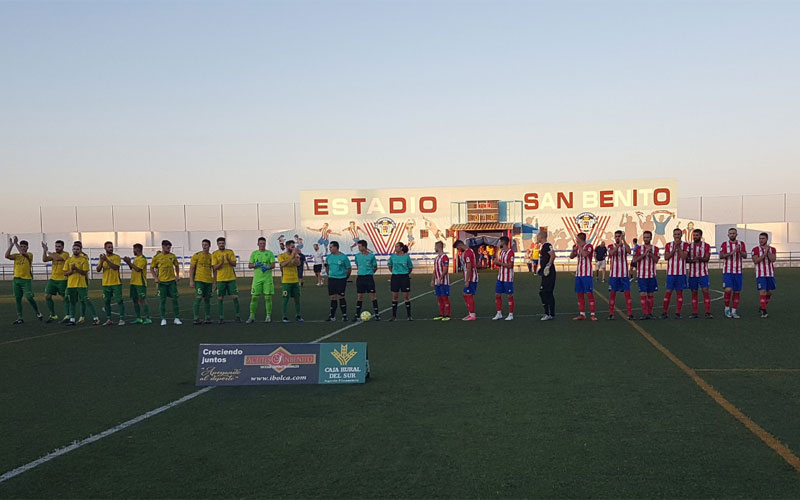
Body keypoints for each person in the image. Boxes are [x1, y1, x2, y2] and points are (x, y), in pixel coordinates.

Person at [5, 236, 43, 323]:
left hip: (26, 280)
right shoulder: (16, 256)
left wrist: (16, 243)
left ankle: (38, 312)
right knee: (18, 299)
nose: (22, 248)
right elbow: (6, 255)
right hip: (16, 280)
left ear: (27, 247)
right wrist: (11, 245)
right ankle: (20, 318)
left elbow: (23, 253)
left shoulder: (29, 255)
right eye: (21, 246)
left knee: (29, 297)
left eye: (24, 246)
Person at [63, 241, 100, 325]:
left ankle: (95, 318)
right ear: (72, 249)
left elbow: (85, 272)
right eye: (74, 249)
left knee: (86, 300)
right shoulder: (69, 260)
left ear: (80, 250)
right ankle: (72, 319)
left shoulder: (84, 260)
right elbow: (65, 273)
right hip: (71, 284)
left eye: (77, 249)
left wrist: (76, 269)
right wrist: (72, 270)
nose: (75, 250)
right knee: (72, 302)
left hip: (81, 284)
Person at [150, 239, 182, 326]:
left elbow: (176, 266)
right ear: (163, 247)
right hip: (162, 283)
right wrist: (155, 278)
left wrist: (177, 275)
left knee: (175, 300)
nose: (169, 248)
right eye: (167, 247)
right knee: (162, 301)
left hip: (172, 282)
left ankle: (176, 318)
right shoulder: (157, 257)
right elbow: (152, 268)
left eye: (170, 247)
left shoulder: (172, 256)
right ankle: (163, 318)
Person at [661, 228, 689, 319]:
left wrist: (678, 248)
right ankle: (664, 312)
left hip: (681, 273)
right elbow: (666, 257)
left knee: (679, 293)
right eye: (675, 234)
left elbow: (684, 257)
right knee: (668, 292)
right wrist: (674, 249)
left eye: (678, 234)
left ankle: (678, 313)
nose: (677, 236)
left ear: (681, 235)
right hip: (671, 273)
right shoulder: (668, 245)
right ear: (673, 235)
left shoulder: (685, 245)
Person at [631, 231, 659, 320]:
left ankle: (649, 313)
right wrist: (643, 255)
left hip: (651, 275)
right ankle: (645, 313)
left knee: (650, 294)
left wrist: (650, 253)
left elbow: (656, 260)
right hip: (642, 276)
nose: (646, 239)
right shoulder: (639, 249)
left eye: (647, 237)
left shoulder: (655, 249)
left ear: (651, 238)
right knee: (643, 293)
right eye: (644, 237)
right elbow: (634, 260)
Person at [719, 227, 747, 318]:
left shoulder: (741, 244)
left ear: (736, 234)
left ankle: (734, 311)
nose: (732, 235)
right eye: (730, 233)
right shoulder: (724, 244)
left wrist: (740, 252)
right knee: (728, 289)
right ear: (728, 235)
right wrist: (731, 253)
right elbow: (721, 256)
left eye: (734, 233)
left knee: (737, 291)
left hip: (738, 271)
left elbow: (745, 255)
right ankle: (727, 308)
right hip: (727, 271)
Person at [247, 237, 276, 323]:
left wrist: (267, 267)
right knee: (254, 298)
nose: (262, 245)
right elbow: (249, 265)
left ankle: (268, 316)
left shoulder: (269, 253)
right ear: (258, 244)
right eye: (261, 243)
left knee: (267, 298)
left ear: (265, 244)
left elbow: (273, 265)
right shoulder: (254, 253)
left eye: (263, 243)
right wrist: (255, 264)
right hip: (257, 279)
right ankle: (252, 316)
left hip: (267, 279)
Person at [212, 237, 240, 323]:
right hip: (221, 279)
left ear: (225, 244)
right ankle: (221, 317)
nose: (221, 245)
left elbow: (234, 264)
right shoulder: (215, 254)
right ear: (217, 244)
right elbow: (214, 267)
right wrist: (221, 262)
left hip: (231, 278)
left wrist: (228, 260)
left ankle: (238, 316)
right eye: (220, 243)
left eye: (223, 243)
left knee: (235, 297)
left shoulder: (230, 252)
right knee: (220, 298)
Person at [96, 241, 125, 326]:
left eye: (111, 247)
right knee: (106, 301)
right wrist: (101, 261)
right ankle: (109, 319)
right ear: (105, 248)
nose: (110, 248)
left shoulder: (116, 257)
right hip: (105, 283)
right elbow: (98, 269)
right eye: (108, 247)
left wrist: (106, 260)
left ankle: (122, 319)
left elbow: (115, 267)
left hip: (116, 282)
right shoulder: (102, 258)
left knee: (119, 300)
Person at [569, 232, 597, 321]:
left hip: (587, 274)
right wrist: (573, 250)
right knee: (580, 294)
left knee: (589, 293)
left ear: (580, 239)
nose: (576, 240)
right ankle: (582, 314)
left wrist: (579, 246)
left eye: (577, 239)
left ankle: (592, 314)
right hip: (579, 274)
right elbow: (571, 256)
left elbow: (585, 254)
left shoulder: (589, 246)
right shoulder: (578, 247)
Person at [686, 229, 712, 319]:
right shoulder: (689, 246)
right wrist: (693, 260)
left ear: (701, 236)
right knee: (694, 292)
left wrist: (700, 258)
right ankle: (695, 312)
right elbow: (686, 259)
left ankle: (708, 312)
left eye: (697, 235)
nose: (695, 237)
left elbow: (707, 259)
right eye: (694, 235)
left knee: (705, 290)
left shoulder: (706, 246)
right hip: (692, 274)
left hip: (703, 273)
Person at [607, 230, 633, 320]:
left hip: (624, 274)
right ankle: (611, 313)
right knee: (612, 294)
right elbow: (611, 253)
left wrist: (624, 240)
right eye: (616, 236)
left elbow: (629, 251)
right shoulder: (611, 246)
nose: (618, 238)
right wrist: (618, 245)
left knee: (627, 293)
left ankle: (629, 313)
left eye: (619, 236)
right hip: (614, 274)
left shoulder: (624, 246)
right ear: (614, 237)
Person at [123, 243, 152, 324]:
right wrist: (128, 262)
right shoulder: (136, 259)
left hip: (140, 283)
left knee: (142, 300)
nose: (133, 251)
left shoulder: (143, 259)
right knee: (135, 300)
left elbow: (138, 269)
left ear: (137, 249)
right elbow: (132, 268)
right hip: (133, 282)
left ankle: (148, 318)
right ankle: (138, 318)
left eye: (134, 249)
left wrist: (130, 262)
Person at [42, 240, 70, 322]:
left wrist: (48, 251)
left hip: (63, 279)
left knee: (64, 297)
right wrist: (44, 250)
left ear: (63, 247)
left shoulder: (65, 254)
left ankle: (67, 315)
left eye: (59, 246)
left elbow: (58, 258)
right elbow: (44, 259)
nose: (57, 248)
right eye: (56, 246)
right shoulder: (53, 254)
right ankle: (53, 315)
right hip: (53, 279)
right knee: (47, 296)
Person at [354, 240, 380, 321]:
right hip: (360, 278)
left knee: (372, 296)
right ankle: (357, 315)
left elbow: (375, 267)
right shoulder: (357, 256)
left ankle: (377, 314)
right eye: (358, 246)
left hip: (369, 278)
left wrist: (370, 273)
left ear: (364, 247)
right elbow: (358, 265)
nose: (359, 248)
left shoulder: (371, 256)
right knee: (360, 296)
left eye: (360, 246)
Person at [325, 241, 352, 321]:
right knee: (333, 297)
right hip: (332, 279)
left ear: (336, 247)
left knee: (341, 296)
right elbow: (327, 267)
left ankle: (344, 315)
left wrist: (345, 277)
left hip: (341, 279)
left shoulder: (343, 257)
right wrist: (329, 275)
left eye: (331, 247)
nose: (330, 249)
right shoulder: (329, 257)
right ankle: (332, 316)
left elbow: (349, 269)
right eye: (329, 247)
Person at [277, 240, 303, 322]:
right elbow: (283, 264)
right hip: (286, 281)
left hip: (295, 280)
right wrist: (291, 256)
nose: (293, 248)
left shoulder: (296, 255)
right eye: (291, 246)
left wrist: (294, 256)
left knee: (297, 298)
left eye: (294, 246)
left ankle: (298, 315)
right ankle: (284, 316)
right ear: (287, 246)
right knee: (285, 298)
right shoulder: (282, 256)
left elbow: (298, 263)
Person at [752, 232, 776, 318]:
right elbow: (756, 260)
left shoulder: (772, 249)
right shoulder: (755, 249)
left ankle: (762, 306)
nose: (761, 240)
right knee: (762, 291)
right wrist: (764, 254)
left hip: (770, 274)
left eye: (763, 238)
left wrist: (767, 252)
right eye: (760, 238)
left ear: (767, 239)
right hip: (760, 274)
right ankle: (764, 311)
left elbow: (773, 259)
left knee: (769, 292)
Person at [387, 242, 413, 321]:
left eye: (397, 246)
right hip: (395, 277)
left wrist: (405, 273)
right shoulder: (392, 257)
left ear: (401, 248)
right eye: (395, 246)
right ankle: (394, 316)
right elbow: (390, 266)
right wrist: (395, 272)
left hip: (404, 277)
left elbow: (410, 267)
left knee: (406, 297)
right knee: (395, 296)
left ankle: (409, 316)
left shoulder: (406, 257)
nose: (395, 248)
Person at [190, 239, 214, 325]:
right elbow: (192, 268)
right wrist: (191, 280)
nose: (204, 246)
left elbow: (214, 269)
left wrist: (214, 282)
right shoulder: (197, 255)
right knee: (198, 298)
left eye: (206, 245)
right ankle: (196, 317)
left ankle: (207, 317)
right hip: (199, 280)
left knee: (207, 299)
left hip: (208, 281)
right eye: (203, 244)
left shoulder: (211, 256)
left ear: (209, 246)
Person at [492, 236, 515, 321]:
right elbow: (501, 264)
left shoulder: (510, 252)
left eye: (500, 242)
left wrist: (499, 263)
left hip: (508, 278)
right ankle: (499, 313)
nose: (499, 243)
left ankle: (511, 314)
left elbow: (510, 265)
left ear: (504, 242)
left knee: (509, 295)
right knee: (497, 294)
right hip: (500, 277)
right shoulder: (501, 252)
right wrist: (496, 263)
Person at [454, 239, 478, 321]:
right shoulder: (468, 251)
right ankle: (470, 313)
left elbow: (469, 267)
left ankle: (472, 314)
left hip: (471, 277)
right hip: (469, 277)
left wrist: (467, 280)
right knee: (465, 294)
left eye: (457, 248)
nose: (458, 250)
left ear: (460, 245)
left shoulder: (467, 253)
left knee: (468, 294)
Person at [431, 241, 451, 321]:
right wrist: (433, 280)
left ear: (438, 247)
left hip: (443, 282)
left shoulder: (445, 257)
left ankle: (448, 315)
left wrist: (440, 278)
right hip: (437, 282)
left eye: (435, 246)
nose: (434, 248)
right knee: (439, 298)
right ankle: (441, 314)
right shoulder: (436, 258)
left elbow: (445, 270)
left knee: (444, 298)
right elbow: (435, 270)